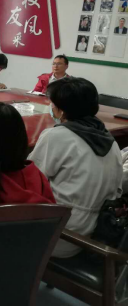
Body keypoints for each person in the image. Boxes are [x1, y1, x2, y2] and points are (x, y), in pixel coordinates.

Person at [28, 77, 123, 258]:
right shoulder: (110, 141)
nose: (51, 108)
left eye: (52, 104)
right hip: (93, 231)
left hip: (61, 235)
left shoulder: (57, 136)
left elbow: (30, 181)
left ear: (62, 111)